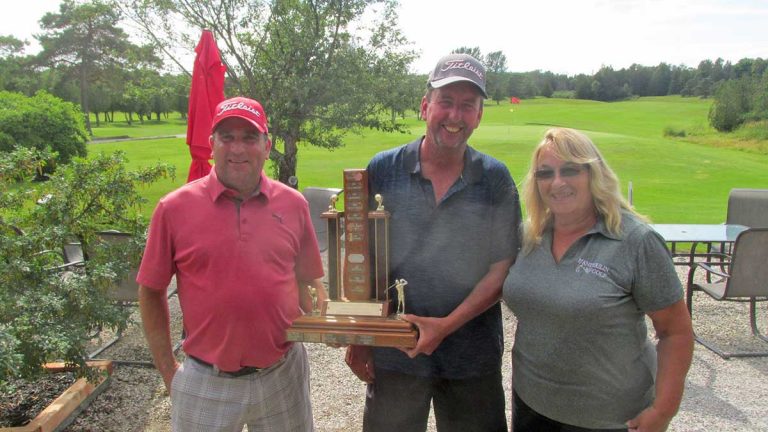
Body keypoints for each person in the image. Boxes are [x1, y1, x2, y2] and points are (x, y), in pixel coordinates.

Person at [345, 53, 522, 432]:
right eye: (446, 101)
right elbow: (365, 258)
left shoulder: (495, 178)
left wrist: (444, 326)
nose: (455, 115)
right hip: (396, 350)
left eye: (467, 105)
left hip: (471, 357)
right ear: (425, 106)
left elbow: (502, 268)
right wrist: (360, 335)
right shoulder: (383, 169)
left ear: (479, 116)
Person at [137, 96, 326, 432]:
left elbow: (308, 280)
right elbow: (151, 291)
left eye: (250, 137)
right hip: (206, 381)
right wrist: (169, 373)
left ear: (267, 146)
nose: (238, 148)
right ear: (212, 144)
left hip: (282, 375)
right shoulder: (174, 208)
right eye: (227, 137)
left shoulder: (293, 204)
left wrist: (332, 326)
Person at [502, 128, 694, 432]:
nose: (557, 182)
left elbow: (676, 332)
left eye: (570, 170)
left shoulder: (636, 241)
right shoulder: (530, 236)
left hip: (608, 418)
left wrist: (662, 410)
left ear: (594, 174)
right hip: (532, 404)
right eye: (545, 173)